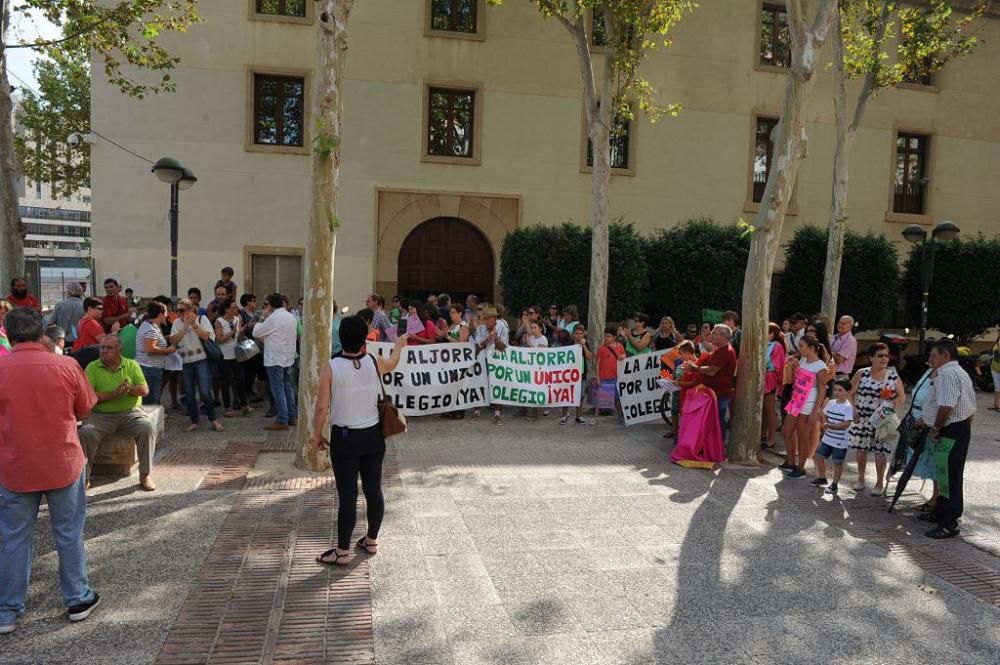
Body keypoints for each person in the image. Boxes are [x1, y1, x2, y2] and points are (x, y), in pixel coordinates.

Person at [0, 307, 100, 633]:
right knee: (69, 534)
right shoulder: (66, 365)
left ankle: (7, 610)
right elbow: (86, 407)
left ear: (8, 333)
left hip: (15, 464)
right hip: (63, 462)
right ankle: (77, 598)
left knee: (15, 539)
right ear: (41, 332)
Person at [312, 317, 407, 566]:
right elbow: (394, 363)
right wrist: (399, 345)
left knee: (348, 495)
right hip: (374, 436)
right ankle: (371, 540)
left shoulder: (331, 367)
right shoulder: (373, 361)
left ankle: (342, 552)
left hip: (345, 439)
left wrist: (316, 435)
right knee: (373, 489)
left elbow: (321, 408)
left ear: (341, 338)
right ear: (364, 339)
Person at [78, 336, 157, 491]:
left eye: (109, 348)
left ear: (119, 350)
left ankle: (145, 474)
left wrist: (129, 390)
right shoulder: (92, 367)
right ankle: (85, 477)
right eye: (102, 347)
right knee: (86, 432)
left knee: (146, 427)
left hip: (130, 413)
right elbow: (88, 395)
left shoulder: (131, 365)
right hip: (100, 416)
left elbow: (145, 390)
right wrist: (113, 394)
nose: (104, 351)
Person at [918, 340, 977, 539]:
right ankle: (940, 511)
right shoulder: (960, 372)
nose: (930, 359)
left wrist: (937, 428)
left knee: (950, 473)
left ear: (945, 356)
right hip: (959, 427)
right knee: (943, 471)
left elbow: (947, 406)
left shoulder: (947, 375)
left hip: (951, 428)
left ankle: (949, 521)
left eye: (934, 355)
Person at [848, 342, 905, 494]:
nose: (884, 359)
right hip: (863, 419)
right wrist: (853, 409)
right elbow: (850, 393)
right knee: (861, 450)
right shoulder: (861, 373)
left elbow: (901, 397)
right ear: (871, 357)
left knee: (881, 452)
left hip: (882, 420)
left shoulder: (892, 376)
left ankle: (879, 483)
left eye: (886, 356)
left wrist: (890, 405)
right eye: (880, 356)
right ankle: (861, 479)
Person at [779, 335, 831, 479]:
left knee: (803, 436)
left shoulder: (820, 366)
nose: (799, 349)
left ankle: (801, 468)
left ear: (812, 348)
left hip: (808, 404)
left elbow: (822, 390)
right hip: (796, 401)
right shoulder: (802, 360)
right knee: (786, 431)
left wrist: (816, 411)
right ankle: (790, 462)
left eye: (802, 346)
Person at [171, 298, 224, 433]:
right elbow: (173, 341)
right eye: (177, 310)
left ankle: (213, 419)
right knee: (189, 393)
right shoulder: (177, 322)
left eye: (182, 310)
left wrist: (193, 324)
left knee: (205, 391)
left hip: (201, 360)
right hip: (186, 362)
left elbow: (207, 337)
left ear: (190, 309)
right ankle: (194, 421)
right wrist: (184, 327)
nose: (179, 313)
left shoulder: (202, 319)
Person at [252, 293, 298, 430]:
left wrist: (262, 316)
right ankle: (291, 416)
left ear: (270, 305)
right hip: (288, 357)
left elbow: (256, 332)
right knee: (287, 387)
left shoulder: (272, 318)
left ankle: (282, 420)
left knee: (278, 389)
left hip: (275, 358)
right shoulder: (291, 317)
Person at [686, 324, 737, 436]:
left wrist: (694, 368)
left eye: (714, 333)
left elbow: (712, 371)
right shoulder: (719, 349)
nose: (711, 334)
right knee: (714, 421)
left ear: (723, 336)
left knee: (717, 422)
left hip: (720, 393)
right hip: (714, 392)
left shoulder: (725, 351)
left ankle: (717, 448)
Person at [811, 378, 854, 494]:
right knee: (819, 457)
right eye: (835, 389)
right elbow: (823, 414)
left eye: (840, 390)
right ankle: (822, 478)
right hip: (827, 438)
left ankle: (834, 485)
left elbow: (847, 424)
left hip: (840, 441)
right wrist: (825, 424)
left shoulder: (848, 407)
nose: (836, 392)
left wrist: (829, 425)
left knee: (837, 463)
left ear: (847, 392)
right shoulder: (831, 403)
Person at [471, 306, 509, 425]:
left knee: (497, 385)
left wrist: (496, 339)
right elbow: (477, 347)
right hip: (482, 360)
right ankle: (477, 412)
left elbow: (504, 348)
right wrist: (488, 339)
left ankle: (497, 415)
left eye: (488, 319)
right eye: (485, 319)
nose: (486, 321)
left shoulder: (502, 328)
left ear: (494, 319)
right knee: (480, 384)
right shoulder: (481, 328)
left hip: (497, 361)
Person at [135, 302, 176, 404]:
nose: (167, 315)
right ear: (160, 314)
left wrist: (173, 336)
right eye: (166, 312)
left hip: (146, 367)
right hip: (151, 369)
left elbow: (155, 340)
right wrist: (168, 350)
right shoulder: (152, 329)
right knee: (151, 402)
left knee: (148, 401)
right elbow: (149, 350)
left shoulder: (147, 324)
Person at [215, 299, 251, 417]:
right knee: (225, 381)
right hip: (225, 355)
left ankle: (244, 405)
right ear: (227, 309)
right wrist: (233, 331)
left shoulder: (237, 319)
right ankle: (227, 407)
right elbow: (219, 339)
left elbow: (238, 337)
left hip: (236, 354)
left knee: (240, 379)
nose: (236, 309)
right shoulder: (219, 321)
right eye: (234, 307)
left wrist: (240, 332)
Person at [561, 324, 594, 425]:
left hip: (582, 374)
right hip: (568, 375)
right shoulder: (568, 344)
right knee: (567, 395)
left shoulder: (585, 344)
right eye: (576, 333)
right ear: (573, 334)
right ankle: (564, 415)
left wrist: (583, 345)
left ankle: (578, 416)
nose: (579, 335)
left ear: (584, 334)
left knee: (581, 396)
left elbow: (590, 357)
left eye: (581, 333)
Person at [592, 327, 625, 419]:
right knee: (600, 400)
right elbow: (597, 364)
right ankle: (595, 418)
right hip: (604, 378)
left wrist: (623, 356)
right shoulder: (601, 348)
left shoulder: (620, 346)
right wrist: (598, 378)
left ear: (614, 337)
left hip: (616, 378)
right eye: (605, 336)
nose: (606, 338)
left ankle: (620, 417)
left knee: (617, 399)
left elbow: (624, 358)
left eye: (608, 336)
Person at [762, 322, 786, 449]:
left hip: (770, 378)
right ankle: (763, 435)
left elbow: (778, 366)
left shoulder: (776, 346)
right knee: (763, 409)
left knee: (770, 409)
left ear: (771, 334)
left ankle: (771, 439)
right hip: (762, 378)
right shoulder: (764, 344)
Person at [830, 315, 858, 380]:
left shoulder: (850, 340)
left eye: (843, 324)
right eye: (839, 323)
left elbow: (839, 359)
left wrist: (826, 351)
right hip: (830, 374)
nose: (840, 325)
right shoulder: (834, 337)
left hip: (840, 376)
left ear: (850, 326)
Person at [989, 330, 1000, 412]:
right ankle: (996, 404)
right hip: (994, 367)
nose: (999, 333)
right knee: (997, 387)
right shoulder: (997, 342)